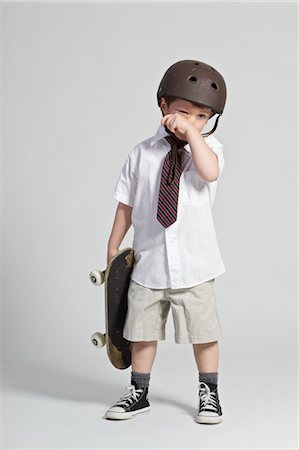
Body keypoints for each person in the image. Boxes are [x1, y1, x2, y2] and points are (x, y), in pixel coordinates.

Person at [104, 60, 227, 424]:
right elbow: (126, 204)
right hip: (149, 263)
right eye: (183, 112)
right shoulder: (141, 153)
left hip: (195, 265)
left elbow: (209, 172)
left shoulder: (209, 150)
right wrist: (113, 248)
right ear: (162, 106)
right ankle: (138, 391)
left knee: (204, 334)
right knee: (141, 333)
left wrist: (191, 134)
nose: (192, 121)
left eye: (202, 117)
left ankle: (210, 394)